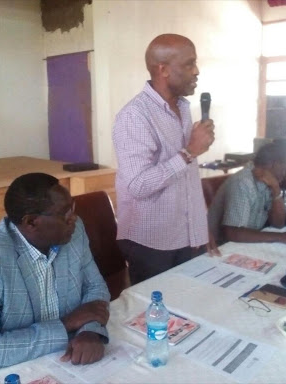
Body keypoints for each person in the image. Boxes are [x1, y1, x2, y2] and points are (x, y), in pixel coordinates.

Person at [0, 173, 110, 372]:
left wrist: (89, 330)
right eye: (64, 212)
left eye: (72, 207)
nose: (73, 218)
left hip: (67, 358)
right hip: (11, 368)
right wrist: (66, 324)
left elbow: (95, 287)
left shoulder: (74, 232)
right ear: (31, 222)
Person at [112, 33, 215, 285]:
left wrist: (200, 230)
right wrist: (189, 151)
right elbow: (138, 185)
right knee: (158, 317)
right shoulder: (134, 116)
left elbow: (185, 180)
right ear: (163, 69)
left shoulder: (182, 107)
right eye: (189, 64)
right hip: (151, 241)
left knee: (191, 309)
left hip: (186, 235)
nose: (197, 71)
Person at [208, 142, 286, 246]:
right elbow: (233, 234)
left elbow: (278, 223)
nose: (284, 175)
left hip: (247, 243)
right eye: (284, 170)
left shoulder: (269, 182)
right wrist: (281, 237)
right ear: (273, 164)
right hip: (220, 247)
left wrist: (276, 190)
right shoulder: (242, 182)